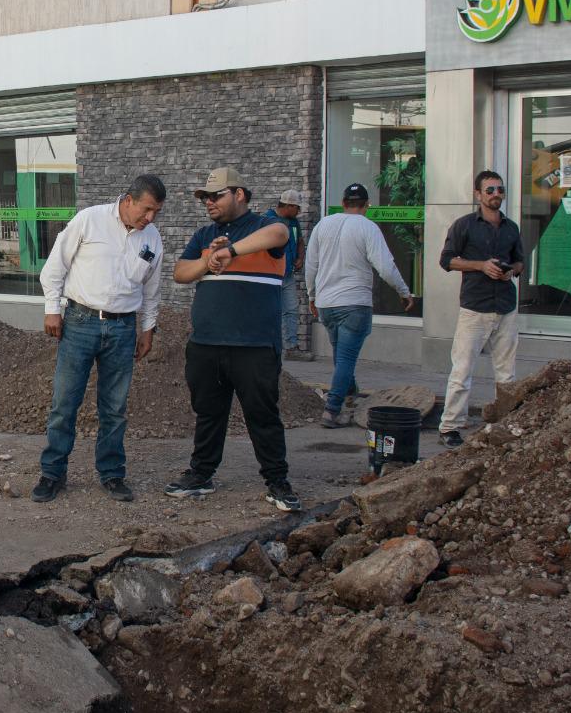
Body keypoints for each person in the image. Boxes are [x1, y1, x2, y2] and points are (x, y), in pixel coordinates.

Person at [163, 167, 301, 512]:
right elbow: (180, 273)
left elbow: (280, 233)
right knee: (209, 414)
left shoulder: (263, 226)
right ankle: (201, 474)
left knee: (263, 415)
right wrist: (209, 259)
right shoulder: (204, 235)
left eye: (216, 195)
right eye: (205, 198)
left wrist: (232, 251)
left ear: (239, 194)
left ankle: (277, 481)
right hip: (207, 343)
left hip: (254, 345)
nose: (208, 202)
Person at [33, 174, 167, 503]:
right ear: (129, 200)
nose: (150, 218)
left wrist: (147, 330)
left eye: (156, 212)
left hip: (123, 330)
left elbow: (152, 290)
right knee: (65, 404)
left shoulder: (152, 239)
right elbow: (54, 267)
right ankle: (53, 473)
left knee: (115, 408)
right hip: (80, 323)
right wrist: (53, 310)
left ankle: (111, 474)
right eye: (147, 209)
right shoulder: (89, 220)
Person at [303, 183, 414, 429]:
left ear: (343, 203)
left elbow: (311, 265)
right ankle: (332, 411)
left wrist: (312, 295)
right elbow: (385, 266)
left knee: (341, 356)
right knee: (346, 359)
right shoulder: (368, 227)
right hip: (354, 302)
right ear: (366, 206)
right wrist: (404, 291)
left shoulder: (323, 224)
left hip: (327, 303)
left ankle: (350, 397)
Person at [438, 170, 525, 447]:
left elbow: (520, 261)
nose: (496, 194)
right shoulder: (464, 225)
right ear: (478, 195)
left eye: (500, 189)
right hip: (475, 307)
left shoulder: (511, 228)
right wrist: (480, 265)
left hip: (506, 305)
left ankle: (505, 422)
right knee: (462, 369)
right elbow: (447, 260)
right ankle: (450, 426)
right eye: (489, 190)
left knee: (507, 372)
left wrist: (510, 271)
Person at [269, 190, 305, 354]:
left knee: (291, 309)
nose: (299, 211)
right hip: (271, 275)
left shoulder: (294, 222)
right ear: (289, 206)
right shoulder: (268, 220)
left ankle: (291, 346)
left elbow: (300, 242)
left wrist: (300, 258)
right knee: (270, 311)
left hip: (288, 274)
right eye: (297, 207)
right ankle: (268, 345)